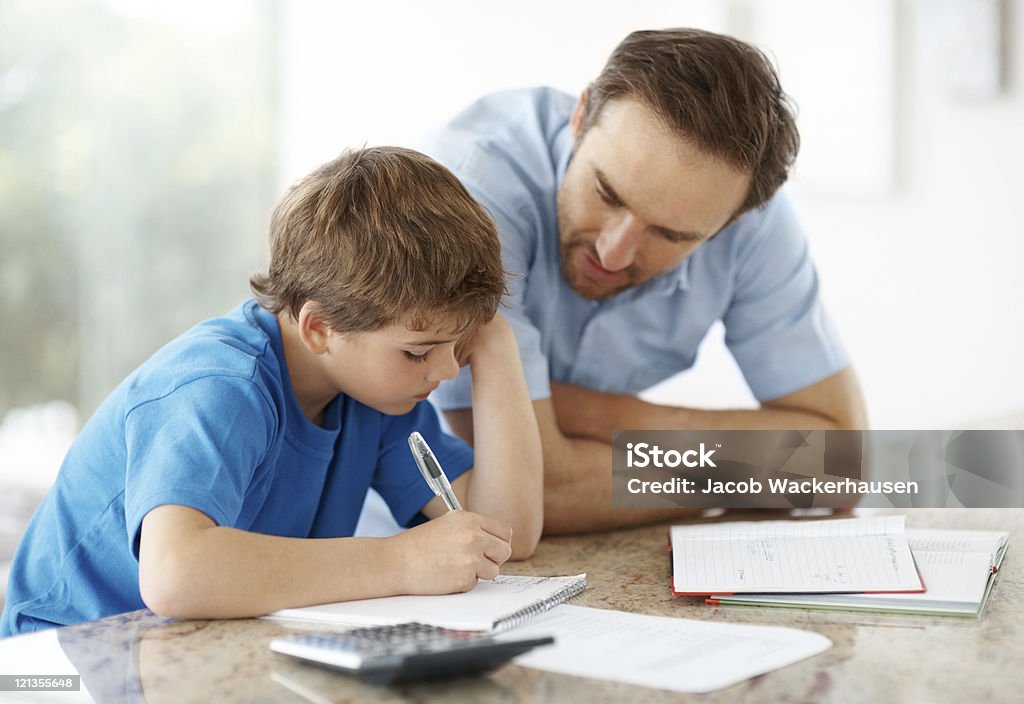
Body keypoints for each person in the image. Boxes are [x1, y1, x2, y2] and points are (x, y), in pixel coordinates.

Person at [1, 147, 543, 636]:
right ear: (319, 329)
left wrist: (495, 346)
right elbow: (174, 574)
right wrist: (401, 561)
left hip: (197, 650)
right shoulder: (220, 386)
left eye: (455, 344)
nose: (446, 370)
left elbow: (507, 535)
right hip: (63, 658)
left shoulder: (380, 393)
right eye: (420, 351)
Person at [422, 28, 868, 534]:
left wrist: (579, 413)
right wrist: (754, 473)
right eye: (607, 192)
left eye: (670, 233)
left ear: (732, 222)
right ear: (581, 116)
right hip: (396, 549)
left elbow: (840, 463)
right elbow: (528, 491)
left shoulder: (750, 217)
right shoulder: (468, 195)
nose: (614, 252)